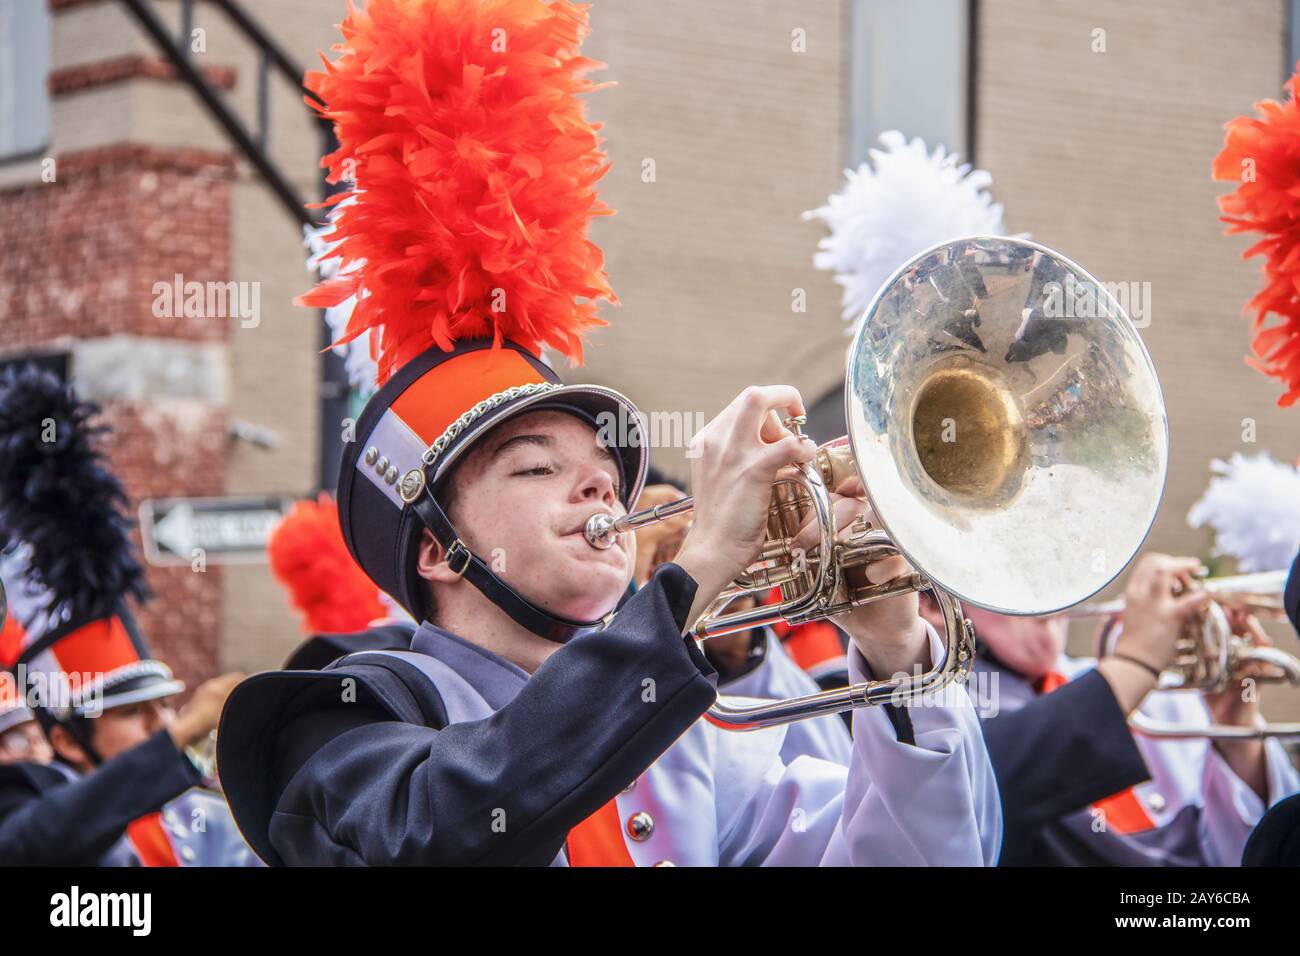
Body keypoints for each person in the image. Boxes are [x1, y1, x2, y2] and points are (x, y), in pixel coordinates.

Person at [216, 0, 1000, 867]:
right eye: (536, 465)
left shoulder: (685, 734)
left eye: (602, 468)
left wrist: (897, 658)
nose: (598, 486)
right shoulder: (343, 718)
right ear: (438, 549)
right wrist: (697, 572)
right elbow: (449, 820)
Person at [0, 367, 258, 866]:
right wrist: (180, 738)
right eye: (131, 714)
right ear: (64, 742)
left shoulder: (202, 821)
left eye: (163, 709)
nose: (161, 724)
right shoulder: (38, 811)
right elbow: (37, 842)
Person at [920, 554, 1300, 866]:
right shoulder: (932, 713)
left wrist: (1234, 728)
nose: (1049, 589)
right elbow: (969, 796)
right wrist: (1135, 663)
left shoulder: (1164, 697)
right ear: (934, 602)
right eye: (1012, 564)